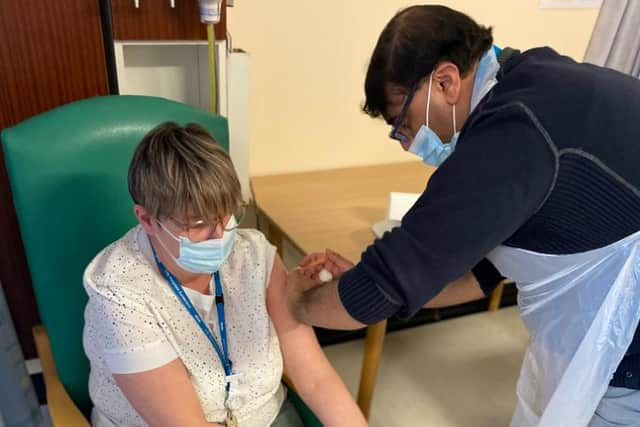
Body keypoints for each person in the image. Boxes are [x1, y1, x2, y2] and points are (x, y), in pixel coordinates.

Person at [285, 5, 640, 427]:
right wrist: (362, 281)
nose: (407, 143)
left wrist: (296, 301)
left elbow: (381, 288)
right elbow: (483, 269)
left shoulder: (511, 136)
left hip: (625, 348)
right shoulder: (528, 79)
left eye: (405, 123)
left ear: (446, 81)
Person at [82, 122, 367, 427]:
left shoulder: (253, 256)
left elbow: (315, 378)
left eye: (226, 213)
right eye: (198, 223)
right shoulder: (120, 292)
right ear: (147, 219)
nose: (220, 234)